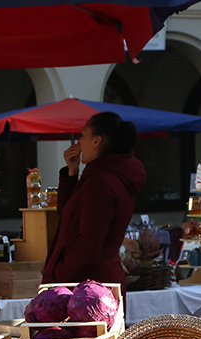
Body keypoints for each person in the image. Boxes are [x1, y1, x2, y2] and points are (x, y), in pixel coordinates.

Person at [42, 112, 146, 291]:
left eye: (83, 135)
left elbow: (88, 246)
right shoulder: (106, 175)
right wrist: (71, 174)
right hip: (96, 282)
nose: (79, 142)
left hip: (86, 287)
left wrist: (58, 276)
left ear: (97, 141)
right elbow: (68, 217)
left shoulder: (101, 182)